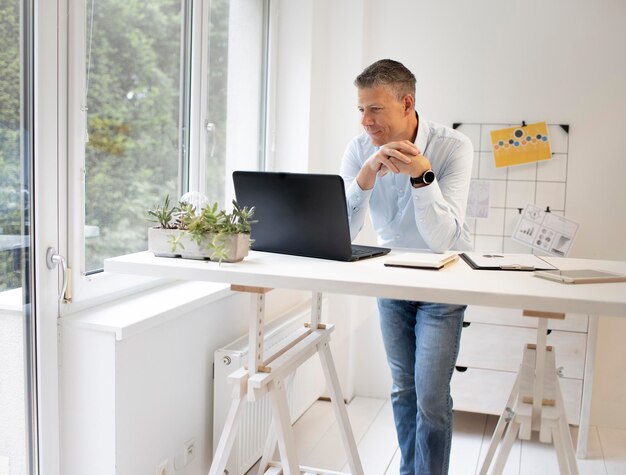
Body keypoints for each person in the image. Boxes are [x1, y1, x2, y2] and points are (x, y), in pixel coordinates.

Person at [340, 59, 473, 475]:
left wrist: (421, 176)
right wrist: (363, 178)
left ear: (406, 103)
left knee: (431, 398)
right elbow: (342, 229)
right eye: (361, 109)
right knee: (402, 390)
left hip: (443, 283)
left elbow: (442, 240)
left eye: (374, 109)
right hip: (392, 281)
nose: (365, 121)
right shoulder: (359, 149)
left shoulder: (453, 147)